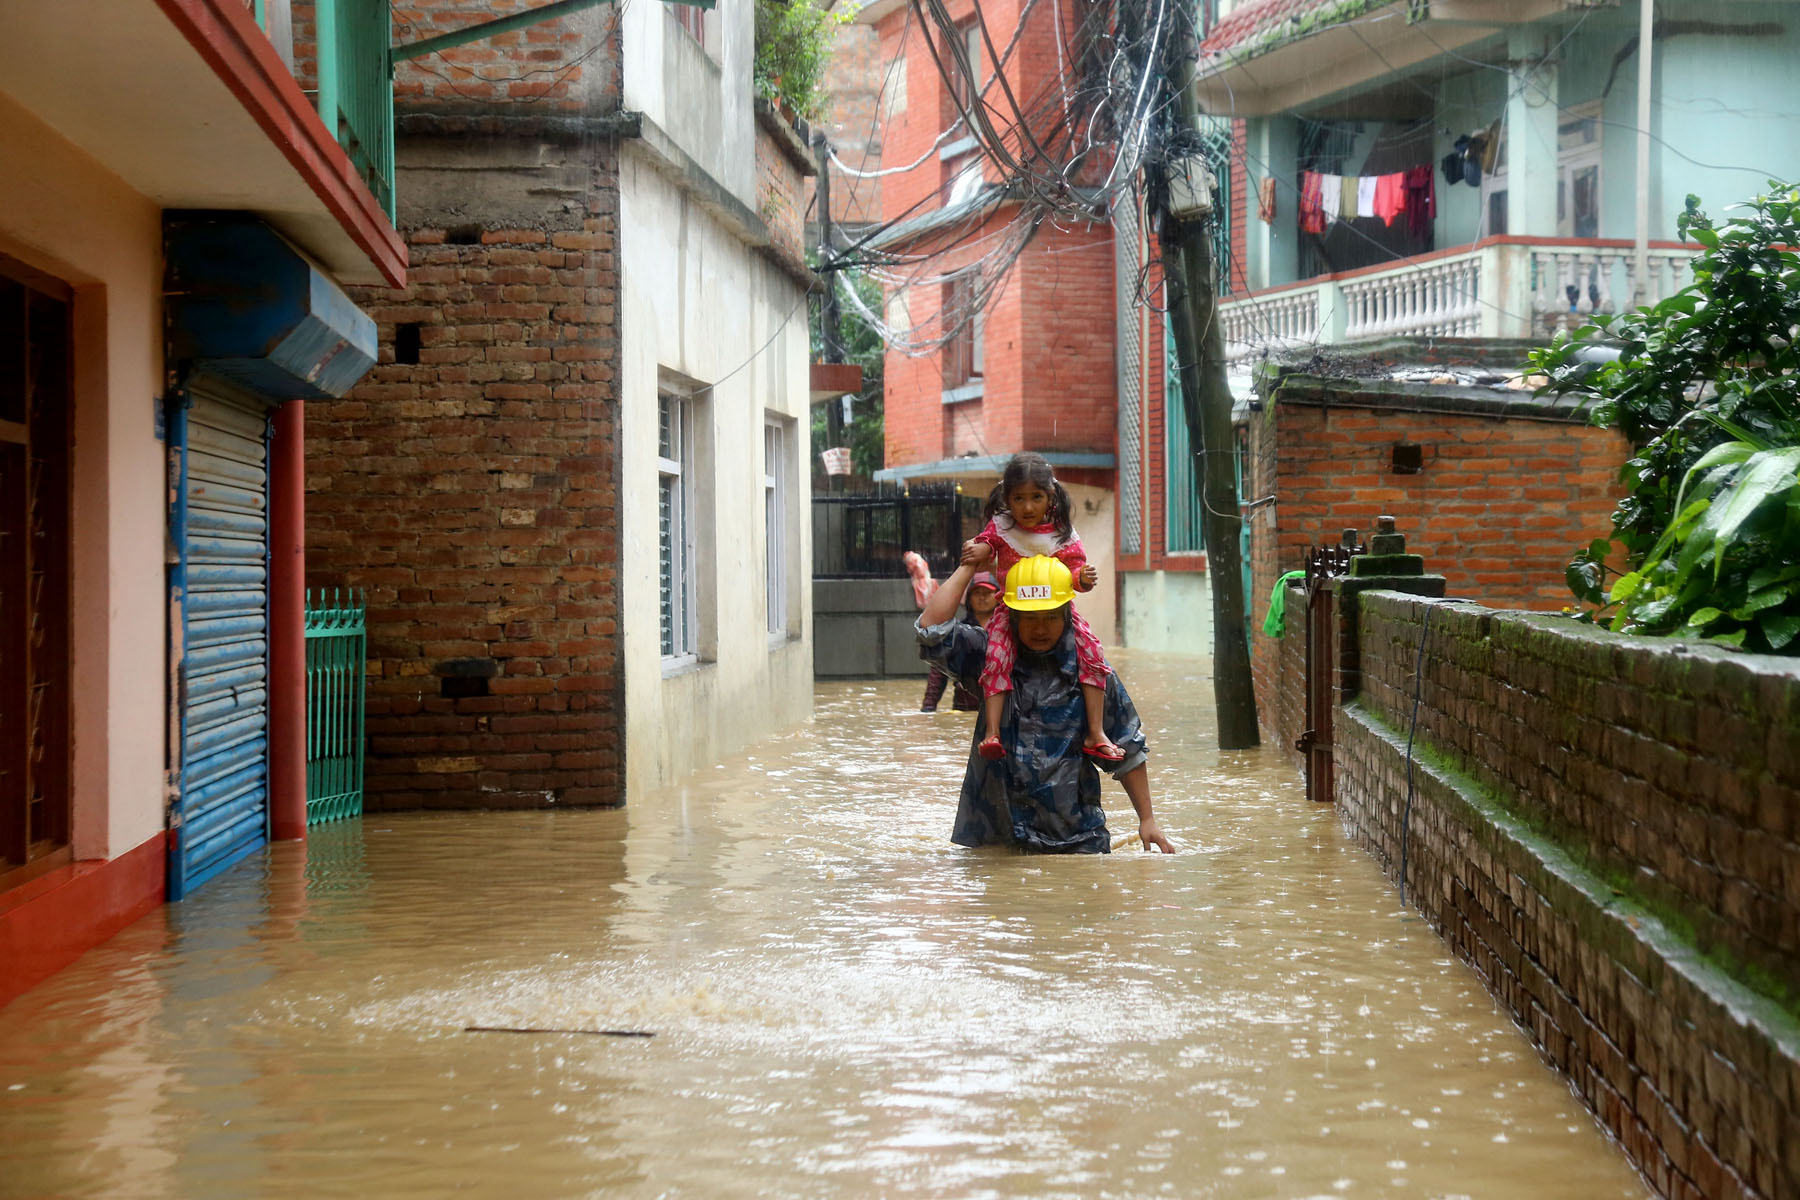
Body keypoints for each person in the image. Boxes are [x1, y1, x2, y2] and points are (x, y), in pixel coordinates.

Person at [917, 555, 1175, 854]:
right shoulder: (989, 657)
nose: (1041, 628)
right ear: (1012, 615)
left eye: (1051, 616)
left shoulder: (1090, 671)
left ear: (1067, 613)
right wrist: (968, 566)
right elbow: (931, 632)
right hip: (997, 838)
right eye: (1030, 617)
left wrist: (1147, 819)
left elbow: (1127, 746)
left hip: (1075, 840)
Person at [963, 453, 1122, 764]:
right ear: (1006, 498)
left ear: (1051, 496)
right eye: (1019, 498)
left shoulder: (1061, 532)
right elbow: (987, 544)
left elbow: (1074, 573)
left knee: (1093, 655)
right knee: (996, 657)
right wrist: (980, 548)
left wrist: (1083, 579)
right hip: (1011, 609)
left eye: (1036, 497)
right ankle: (992, 732)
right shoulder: (1002, 527)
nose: (1027, 507)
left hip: (1057, 613)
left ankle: (1096, 732)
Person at [920, 571, 1000, 712]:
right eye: (977, 593)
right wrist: (928, 707)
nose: (982, 597)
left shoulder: (1007, 629)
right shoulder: (958, 632)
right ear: (969, 598)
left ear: (999, 596)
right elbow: (939, 670)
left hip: (1000, 704)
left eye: (988, 592)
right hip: (965, 706)